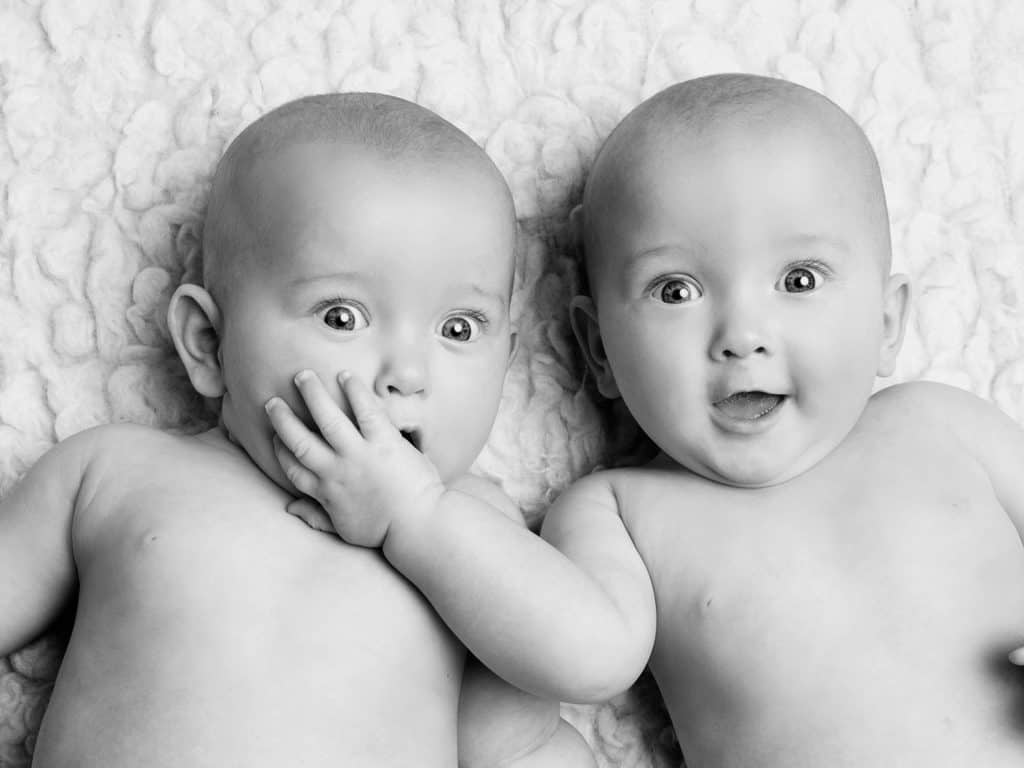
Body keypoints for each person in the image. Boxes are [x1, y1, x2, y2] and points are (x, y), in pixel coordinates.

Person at [269, 75, 1024, 766]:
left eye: (798, 279)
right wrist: (419, 516)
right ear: (598, 349)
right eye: (675, 290)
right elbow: (572, 660)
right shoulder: (622, 513)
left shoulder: (943, 426)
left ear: (888, 321)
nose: (742, 334)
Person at [0, 92, 594, 768]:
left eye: (458, 328)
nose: (406, 373)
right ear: (208, 341)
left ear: (506, 360)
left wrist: (419, 520)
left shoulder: (474, 538)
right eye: (341, 316)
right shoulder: (113, 472)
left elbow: (577, 673)